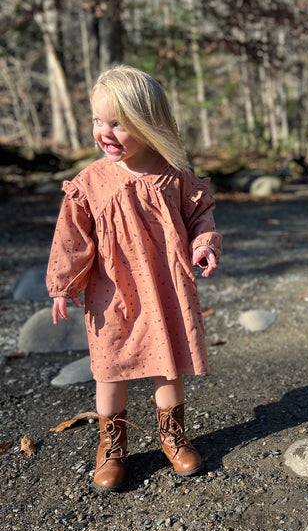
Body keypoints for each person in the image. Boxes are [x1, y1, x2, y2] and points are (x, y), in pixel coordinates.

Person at [46, 65, 222, 492]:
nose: (104, 131)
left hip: (164, 288)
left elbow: (201, 215)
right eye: (97, 121)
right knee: (110, 367)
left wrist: (205, 243)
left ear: (148, 124)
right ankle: (111, 447)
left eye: (118, 123)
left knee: (167, 364)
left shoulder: (172, 175)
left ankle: (173, 438)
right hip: (111, 293)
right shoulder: (91, 181)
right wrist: (63, 285)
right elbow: (72, 238)